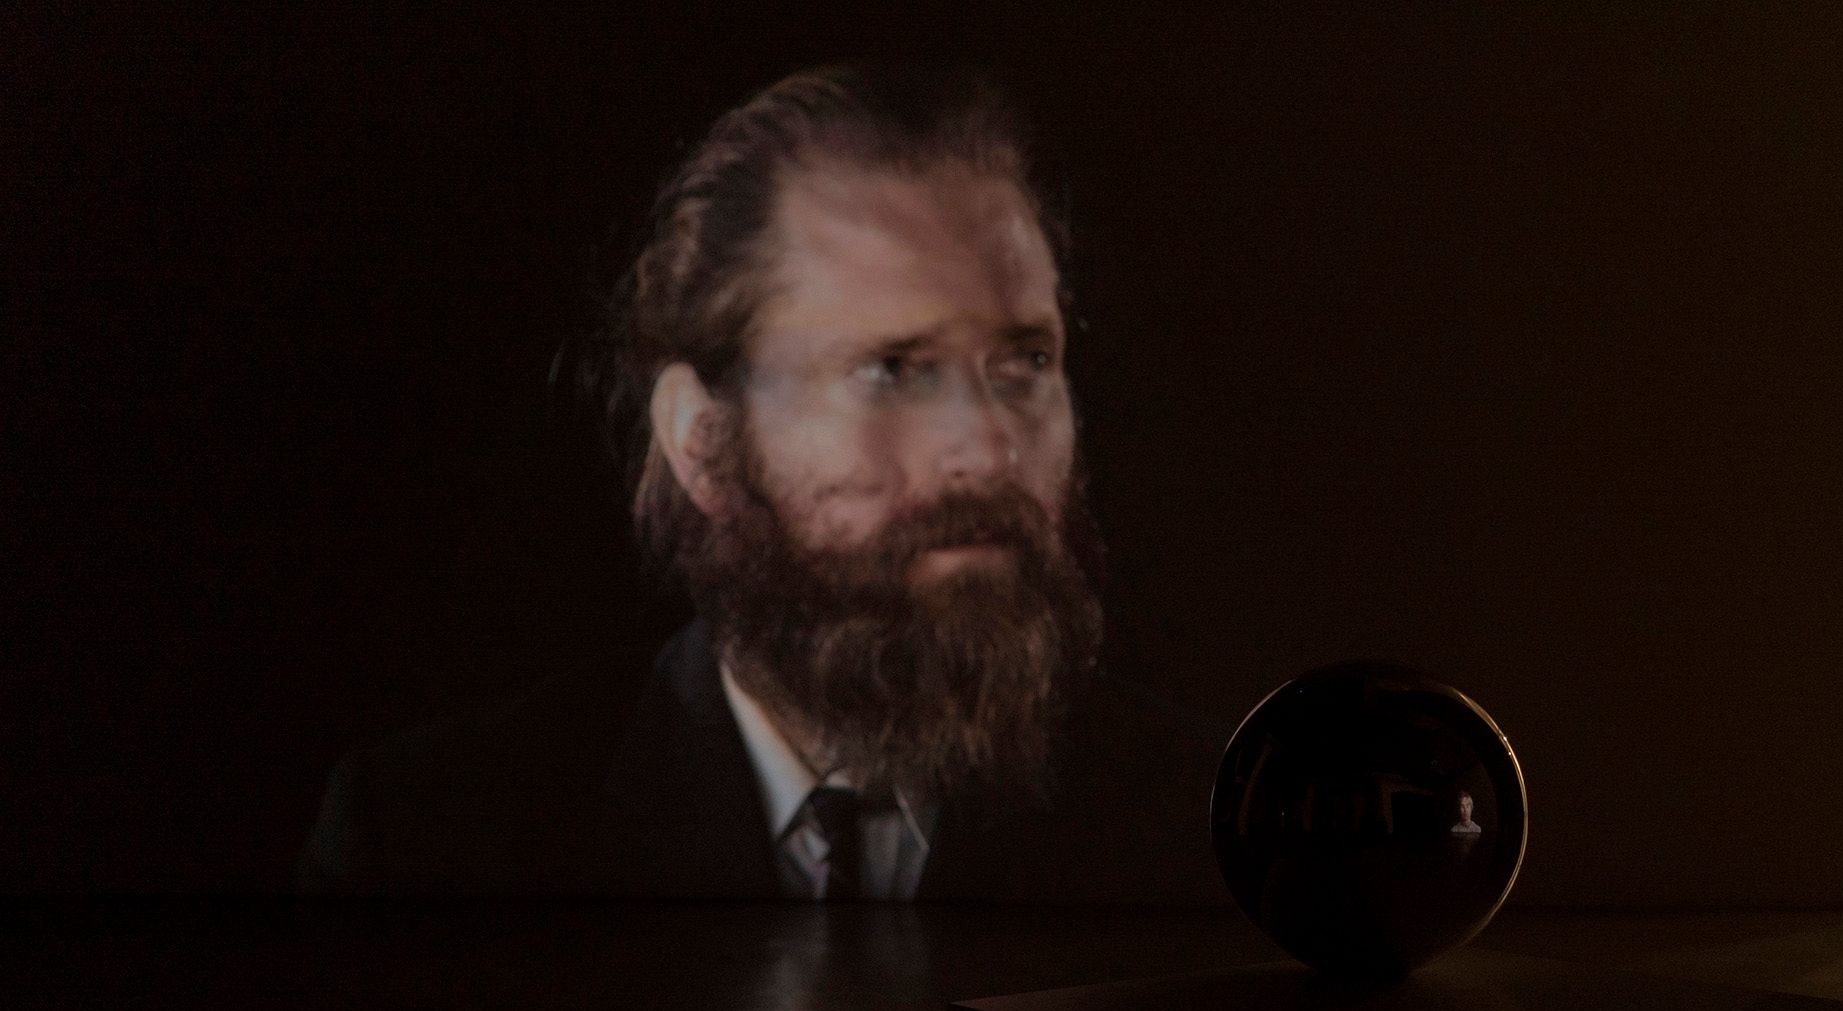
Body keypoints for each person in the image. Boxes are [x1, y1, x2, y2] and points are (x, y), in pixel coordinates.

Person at [299, 66, 1221, 901]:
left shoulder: (1206, 827)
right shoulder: (435, 847)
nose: (985, 451)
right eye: (893, 369)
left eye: (1025, 361)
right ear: (701, 441)